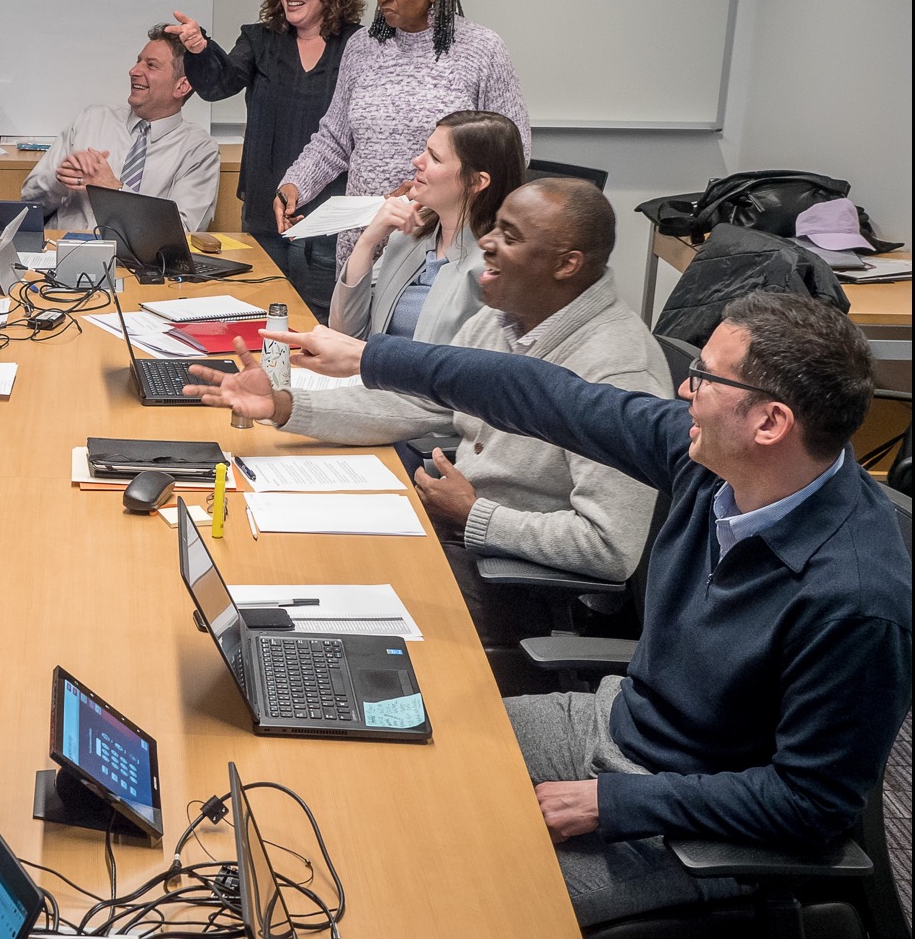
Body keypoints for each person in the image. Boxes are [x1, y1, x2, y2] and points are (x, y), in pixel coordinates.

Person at [194, 292, 911, 927]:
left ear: (770, 423)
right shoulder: (706, 459)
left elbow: (812, 805)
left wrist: (618, 806)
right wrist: (370, 356)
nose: (684, 390)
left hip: (690, 821)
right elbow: (546, 395)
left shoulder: (852, 598)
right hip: (615, 722)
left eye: (706, 378)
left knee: (439, 898)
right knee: (387, 762)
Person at [191, 179, 670, 689]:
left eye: (510, 236)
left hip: (519, 587)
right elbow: (412, 402)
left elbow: (612, 547)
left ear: (566, 264)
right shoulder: (504, 320)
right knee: (290, 573)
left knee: (323, 640)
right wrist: (288, 406)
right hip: (456, 537)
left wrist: (479, 517)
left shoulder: (619, 372)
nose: (486, 242)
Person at [273, 0, 530, 272]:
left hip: (440, 245)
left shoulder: (481, 50)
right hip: (363, 239)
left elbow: (513, 153)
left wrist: (432, 193)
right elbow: (335, 138)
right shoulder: (362, 47)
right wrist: (295, 184)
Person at [166, 0, 365, 317]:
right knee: (258, 317)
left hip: (329, 222)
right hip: (263, 213)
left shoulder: (358, 45)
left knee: (320, 321)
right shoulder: (260, 40)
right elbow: (217, 84)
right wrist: (198, 48)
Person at [329, 110, 524, 344]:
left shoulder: (494, 266)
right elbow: (346, 335)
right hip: (370, 377)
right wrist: (367, 242)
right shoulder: (410, 233)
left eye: (435, 157)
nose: (417, 161)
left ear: (476, 181)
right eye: (425, 150)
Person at [21, 25, 222, 233]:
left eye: (151, 66)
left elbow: (184, 231)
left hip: (139, 263)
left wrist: (113, 190)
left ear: (182, 86)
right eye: (138, 62)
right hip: (60, 253)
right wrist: (60, 178)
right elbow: (28, 203)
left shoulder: (198, 149)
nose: (134, 71)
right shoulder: (91, 119)